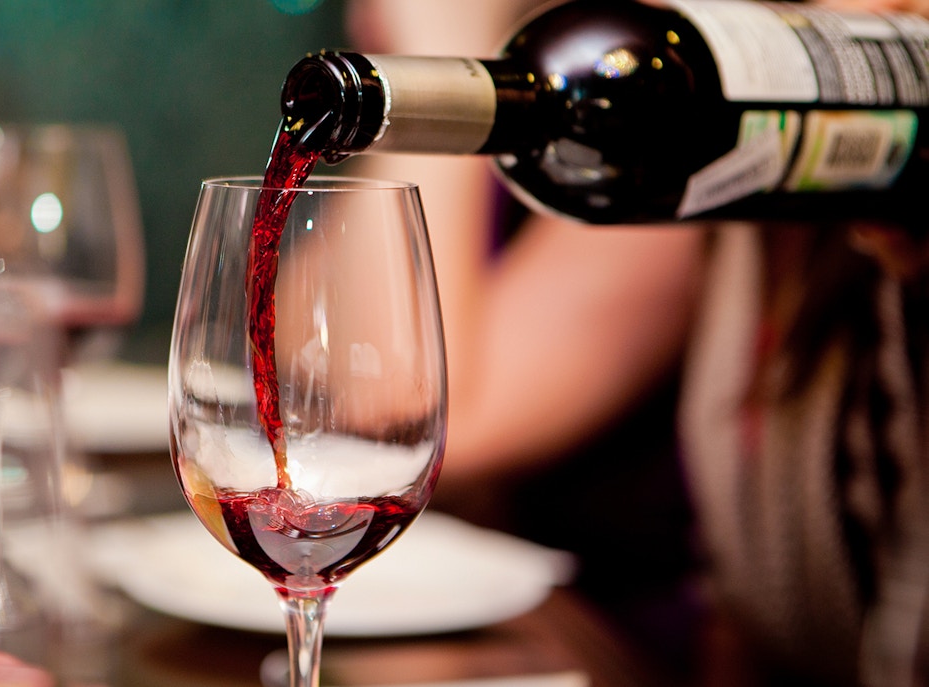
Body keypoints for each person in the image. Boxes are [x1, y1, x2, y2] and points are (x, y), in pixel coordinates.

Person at [344, 0, 929, 685]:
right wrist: (421, 88)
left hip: (617, 638)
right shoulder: (581, 59)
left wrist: (443, 45)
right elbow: (319, 367)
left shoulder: (663, 104)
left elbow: (405, 415)